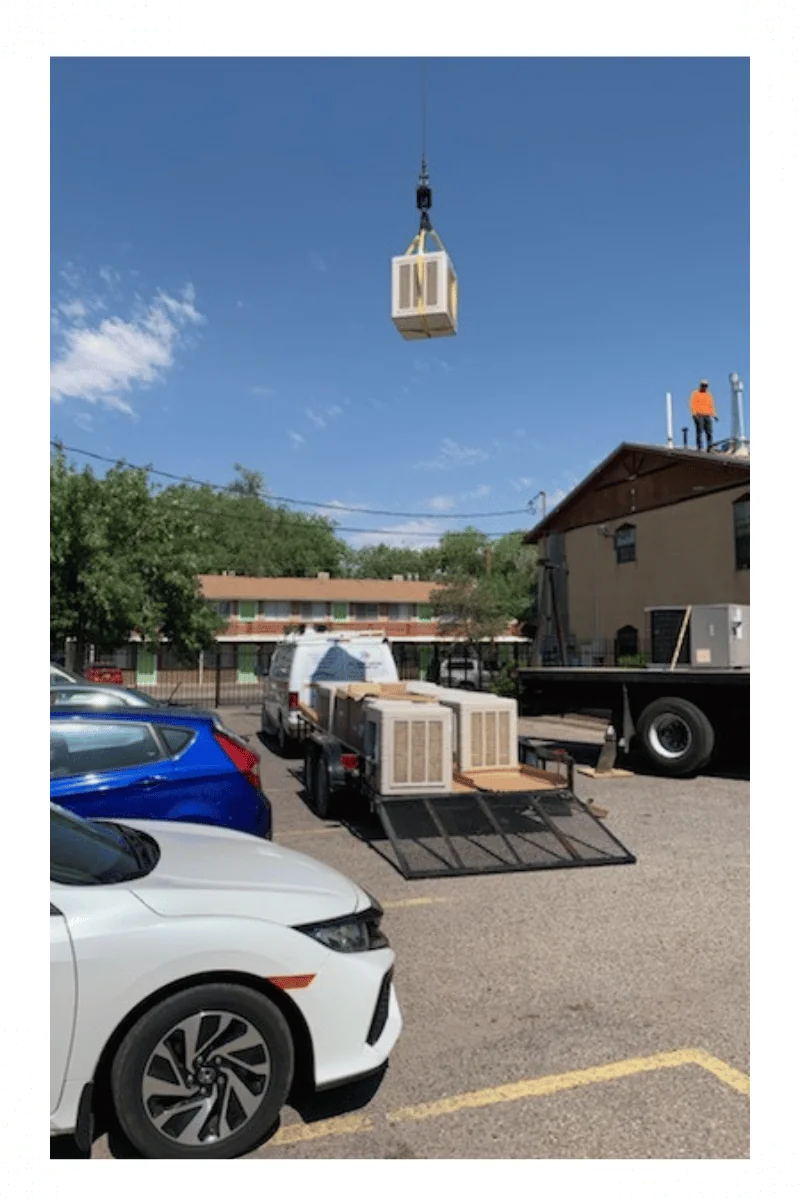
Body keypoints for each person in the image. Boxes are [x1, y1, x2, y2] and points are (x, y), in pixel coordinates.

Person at [689, 379, 718, 451]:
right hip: (698, 415)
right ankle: (699, 447)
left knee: (709, 432)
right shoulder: (695, 393)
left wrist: (714, 415)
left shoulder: (709, 395)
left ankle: (709, 447)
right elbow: (692, 404)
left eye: (706, 386)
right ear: (700, 385)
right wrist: (694, 414)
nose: (704, 387)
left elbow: (711, 405)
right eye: (703, 385)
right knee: (699, 431)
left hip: (707, 415)